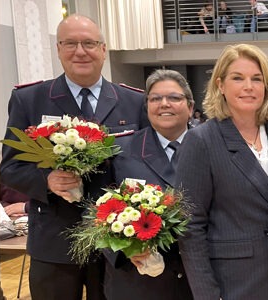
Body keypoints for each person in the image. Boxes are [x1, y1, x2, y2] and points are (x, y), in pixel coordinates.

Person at [0, 14, 148, 300]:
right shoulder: (29, 100)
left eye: (89, 43)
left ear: (103, 50)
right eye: (70, 43)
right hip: (54, 241)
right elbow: (10, 167)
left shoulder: (134, 102)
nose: (80, 51)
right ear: (58, 49)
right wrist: (47, 180)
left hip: (116, 239)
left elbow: (144, 165)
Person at [176, 43, 268, 300]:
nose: (248, 86)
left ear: (267, 86)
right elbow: (190, 226)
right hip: (233, 282)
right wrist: (207, 294)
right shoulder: (202, 141)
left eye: (256, 79)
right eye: (237, 78)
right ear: (220, 85)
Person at [102, 69, 195, 300]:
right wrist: (124, 250)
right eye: (155, 98)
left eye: (174, 97)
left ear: (190, 107)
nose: (164, 104)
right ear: (147, 107)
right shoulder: (119, 150)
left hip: (196, 281)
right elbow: (92, 211)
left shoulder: (213, 149)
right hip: (137, 281)